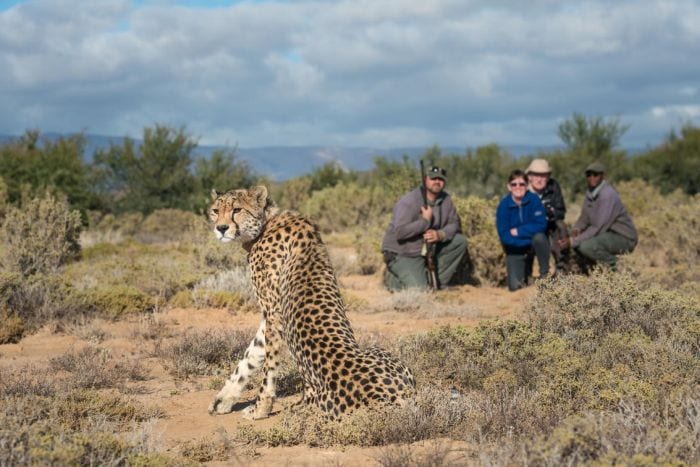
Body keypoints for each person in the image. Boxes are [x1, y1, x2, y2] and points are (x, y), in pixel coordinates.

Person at [381, 165, 467, 291]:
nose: (437, 182)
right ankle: (393, 279)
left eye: (440, 179)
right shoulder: (409, 201)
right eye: (433, 178)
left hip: (424, 251)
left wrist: (440, 235)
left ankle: (438, 283)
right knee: (420, 291)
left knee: (459, 241)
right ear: (425, 179)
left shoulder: (446, 199)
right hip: (402, 253)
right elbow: (400, 232)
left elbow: (454, 223)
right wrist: (425, 221)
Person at [565, 162, 637, 272]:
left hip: (623, 237)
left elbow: (598, 227)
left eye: (595, 175)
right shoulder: (590, 192)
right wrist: (576, 229)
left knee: (585, 246)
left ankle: (616, 268)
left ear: (602, 176)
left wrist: (573, 241)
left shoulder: (607, 195)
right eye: (589, 175)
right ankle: (590, 269)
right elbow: (584, 217)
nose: (592, 178)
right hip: (606, 233)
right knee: (567, 234)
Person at [496, 169, 549, 291]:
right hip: (515, 249)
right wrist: (526, 239)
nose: (518, 187)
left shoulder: (534, 200)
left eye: (521, 184)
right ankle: (525, 271)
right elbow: (505, 236)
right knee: (515, 287)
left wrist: (518, 232)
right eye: (514, 184)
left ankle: (545, 276)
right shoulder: (504, 205)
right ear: (509, 186)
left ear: (527, 186)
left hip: (533, 244)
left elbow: (541, 225)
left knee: (540, 238)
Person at [525, 159, 569, 273]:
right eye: (536, 175)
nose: (539, 179)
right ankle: (526, 272)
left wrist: (551, 213)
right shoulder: (522, 188)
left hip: (550, 224)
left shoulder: (553, 186)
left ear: (548, 177)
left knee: (561, 227)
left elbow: (561, 211)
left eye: (543, 175)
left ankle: (561, 269)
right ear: (529, 176)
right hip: (529, 227)